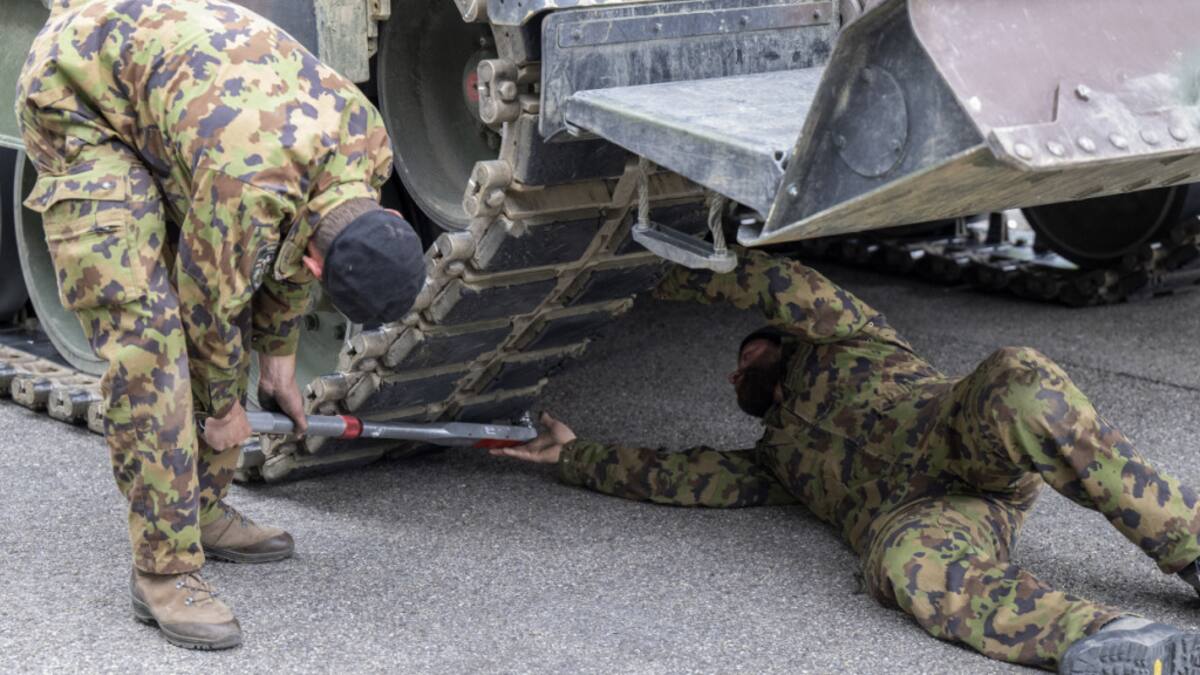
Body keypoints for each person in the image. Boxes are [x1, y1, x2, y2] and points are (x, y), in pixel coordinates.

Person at [493, 250, 1200, 674]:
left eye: (745, 358)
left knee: (1021, 381)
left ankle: (1192, 544)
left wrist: (641, 271)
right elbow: (677, 476)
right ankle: (1116, 639)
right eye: (736, 382)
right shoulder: (773, 461)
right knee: (900, 567)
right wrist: (575, 453)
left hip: (951, 431)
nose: (734, 377)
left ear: (780, 342)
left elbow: (778, 284)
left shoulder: (855, 339)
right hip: (926, 515)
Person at [15, 0, 426, 650]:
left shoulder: (366, 143)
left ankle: (198, 509)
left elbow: (297, 240)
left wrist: (279, 364)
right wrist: (222, 409)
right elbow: (209, 311)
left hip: (176, 101)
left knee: (217, 330)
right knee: (150, 342)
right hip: (79, 97)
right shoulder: (247, 187)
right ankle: (163, 571)